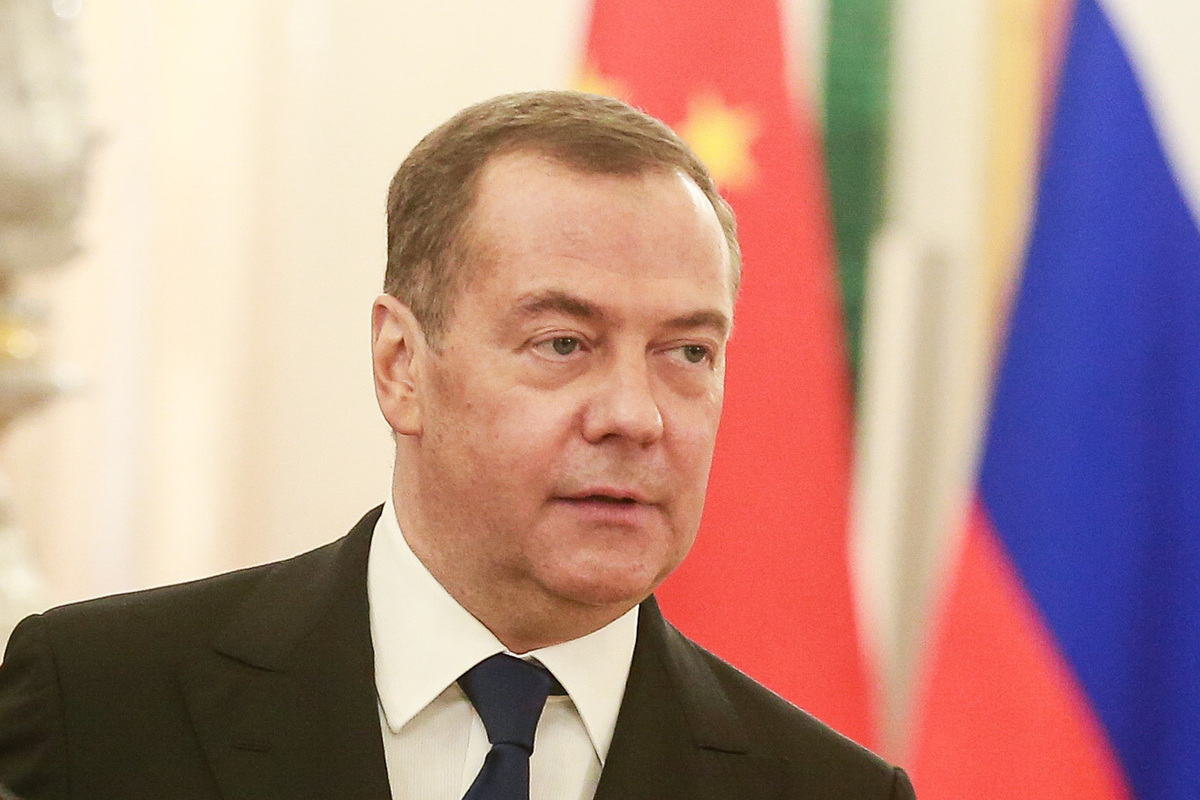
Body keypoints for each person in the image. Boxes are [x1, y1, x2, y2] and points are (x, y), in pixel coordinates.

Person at [0, 91, 914, 800]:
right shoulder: (101, 703)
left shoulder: (831, 792)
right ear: (401, 366)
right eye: (564, 343)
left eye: (687, 353)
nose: (636, 417)